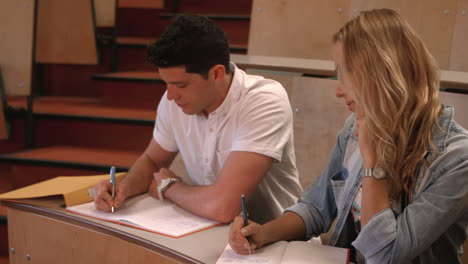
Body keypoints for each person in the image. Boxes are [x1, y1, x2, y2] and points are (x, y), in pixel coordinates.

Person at [229, 8, 468, 263]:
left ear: (381, 73)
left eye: (344, 72)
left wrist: (374, 165)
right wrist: (265, 232)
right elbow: (316, 208)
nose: (338, 90)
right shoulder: (354, 128)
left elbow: (385, 256)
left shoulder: (456, 158)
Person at [91, 14, 303, 224]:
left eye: (181, 85)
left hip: (279, 242)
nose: (171, 96)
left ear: (217, 74)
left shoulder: (263, 101)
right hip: (210, 229)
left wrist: (170, 188)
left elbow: (224, 207)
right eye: (166, 84)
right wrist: (123, 188)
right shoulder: (173, 99)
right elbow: (153, 161)